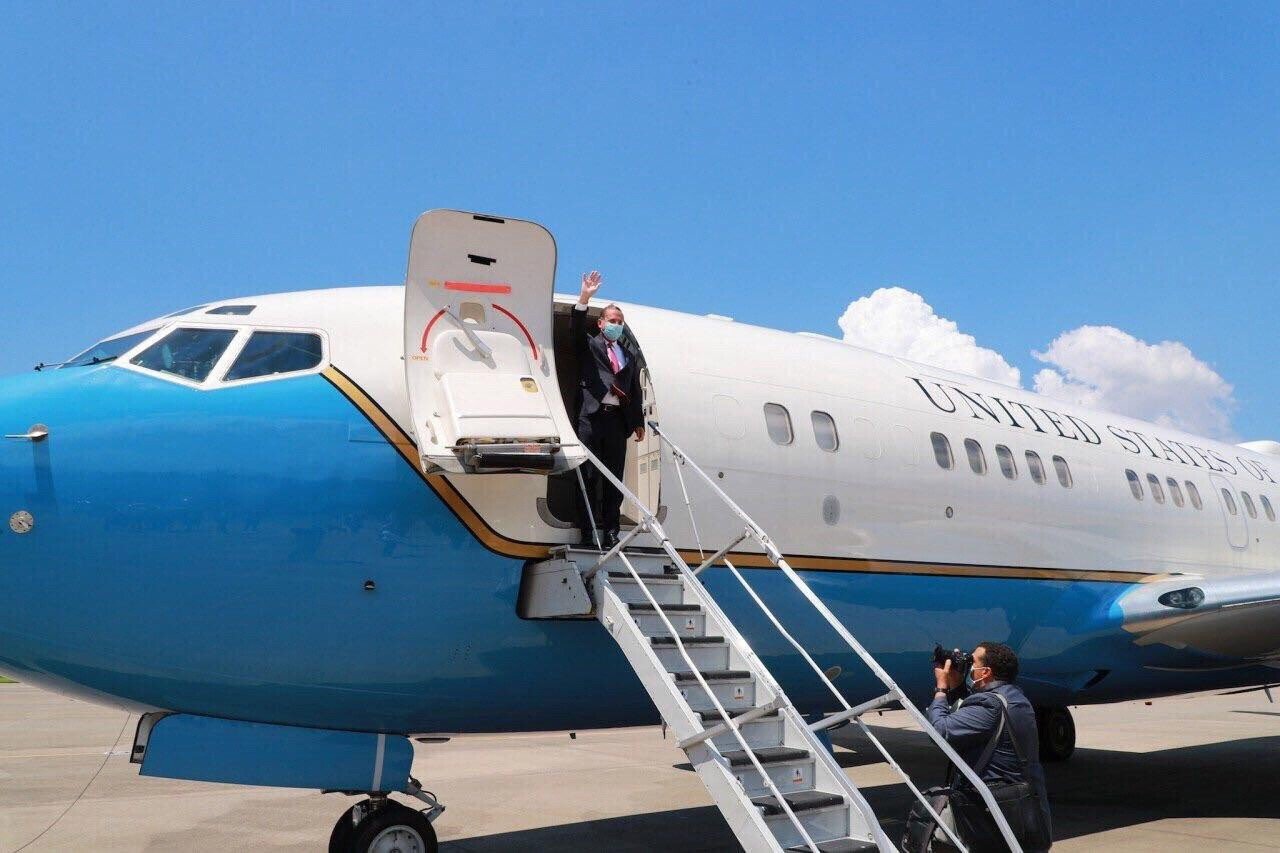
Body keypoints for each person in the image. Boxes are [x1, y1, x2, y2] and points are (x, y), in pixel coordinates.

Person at [928, 643, 1052, 852]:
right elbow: (976, 720)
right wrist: (958, 687)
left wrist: (941, 689)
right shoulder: (1014, 698)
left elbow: (940, 731)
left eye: (972, 662)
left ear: (985, 672)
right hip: (1021, 806)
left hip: (991, 812)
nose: (968, 666)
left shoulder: (989, 706)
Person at [572, 270, 645, 548]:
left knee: (614, 477)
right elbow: (576, 329)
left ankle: (611, 530)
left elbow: (634, 389)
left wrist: (636, 420)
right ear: (601, 324)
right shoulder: (589, 345)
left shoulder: (629, 354)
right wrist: (584, 298)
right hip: (591, 419)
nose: (616, 325)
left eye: (620, 322)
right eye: (612, 321)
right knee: (588, 475)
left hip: (617, 421)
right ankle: (588, 530)